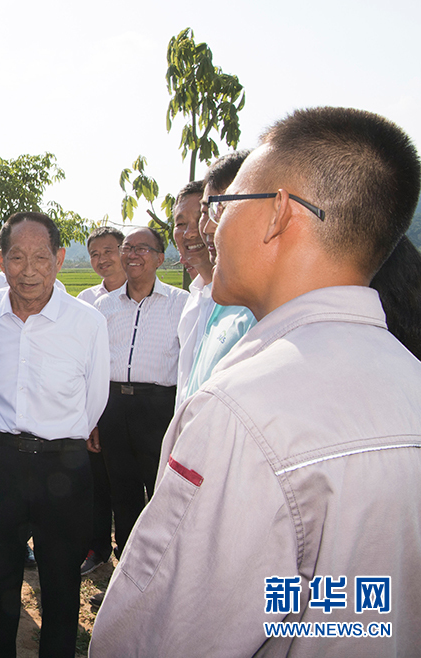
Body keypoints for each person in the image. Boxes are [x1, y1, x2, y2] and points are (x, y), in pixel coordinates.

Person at [90, 107, 421, 657]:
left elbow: (167, 633)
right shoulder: (408, 379)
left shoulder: (240, 412)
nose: (208, 229)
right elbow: (362, 606)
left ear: (278, 214)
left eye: (222, 207)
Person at [0, 211, 109, 658]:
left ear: (60, 258)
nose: (29, 270)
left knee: (61, 585)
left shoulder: (87, 322)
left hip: (64, 467)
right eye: (16, 257)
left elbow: (94, 400)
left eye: (41, 258)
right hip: (0, 462)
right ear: (0, 259)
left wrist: (58, 436)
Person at [92, 227, 187, 556]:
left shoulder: (181, 304)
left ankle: (161, 566)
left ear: (160, 258)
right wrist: (94, 417)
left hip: (159, 408)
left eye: (142, 249)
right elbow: (95, 365)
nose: (132, 255)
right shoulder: (103, 306)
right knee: (122, 490)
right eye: (127, 248)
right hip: (113, 406)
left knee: (162, 490)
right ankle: (126, 563)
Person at [181, 151, 257, 401]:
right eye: (207, 211)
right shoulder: (216, 298)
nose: (206, 227)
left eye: (219, 209)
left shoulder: (261, 307)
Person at [77, 225, 125, 577]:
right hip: (94, 399)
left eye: (108, 251)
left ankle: (130, 553)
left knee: (128, 485)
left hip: (130, 401)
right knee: (95, 482)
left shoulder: (139, 294)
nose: (101, 259)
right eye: (94, 254)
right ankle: (97, 548)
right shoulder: (85, 300)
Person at [172, 180, 213, 410]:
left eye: (201, 218)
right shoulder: (193, 300)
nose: (189, 233)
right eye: (181, 224)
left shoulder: (245, 303)